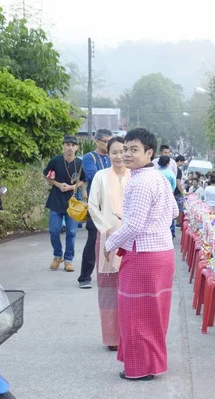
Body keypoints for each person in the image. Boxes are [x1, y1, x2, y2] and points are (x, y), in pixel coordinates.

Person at [104, 128, 178, 381]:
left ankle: (141, 368)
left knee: (135, 313)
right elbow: (174, 211)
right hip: (162, 253)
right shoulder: (158, 177)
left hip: (144, 256)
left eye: (134, 150)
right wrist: (153, 222)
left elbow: (134, 225)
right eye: (125, 149)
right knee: (154, 313)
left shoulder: (140, 181)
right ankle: (149, 363)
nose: (127, 154)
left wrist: (109, 244)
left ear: (149, 153)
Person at [87, 137, 130, 351]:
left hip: (132, 240)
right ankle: (113, 337)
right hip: (107, 238)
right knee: (108, 289)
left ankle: (130, 334)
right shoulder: (100, 176)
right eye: (114, 152)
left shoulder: (135, 176)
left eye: (123, 151)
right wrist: (108, 230)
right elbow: (93, 206)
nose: (119, 156)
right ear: (108, 154)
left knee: (130, 287)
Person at [43, 136, 86, 272]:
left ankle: (68, 260)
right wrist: (58, 184)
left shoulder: (79, 163)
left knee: (72, 231)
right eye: (67, 145)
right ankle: (57, 256)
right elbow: (47, 175)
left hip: (72, 201)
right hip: (56, 199)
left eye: (73, 145)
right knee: (54, 230)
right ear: (63, 146)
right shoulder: (55, 161)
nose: (70, 148)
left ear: (77, 148)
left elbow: (83, 180)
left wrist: (72, 187)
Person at [78, 129, 113, 289]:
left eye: (109, 141)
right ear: (97, 141)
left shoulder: (113, 158)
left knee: (113, 239)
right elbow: (95, 176)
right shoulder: (89, 158)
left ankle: (109, 274)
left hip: (113, 205)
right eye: (105, 141)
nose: (108, 144)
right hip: (96, 206)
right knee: (93, 240)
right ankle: (85, 277)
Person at [174, 155, 186, 226]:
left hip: (172, 191)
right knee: (180, 208)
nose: (183, 163)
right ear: (179, 161)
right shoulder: (178, 170)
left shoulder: (171, 168)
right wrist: (183, 193)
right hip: (177, 193)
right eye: (183, 162)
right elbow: (178, 183)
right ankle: (178, 222)